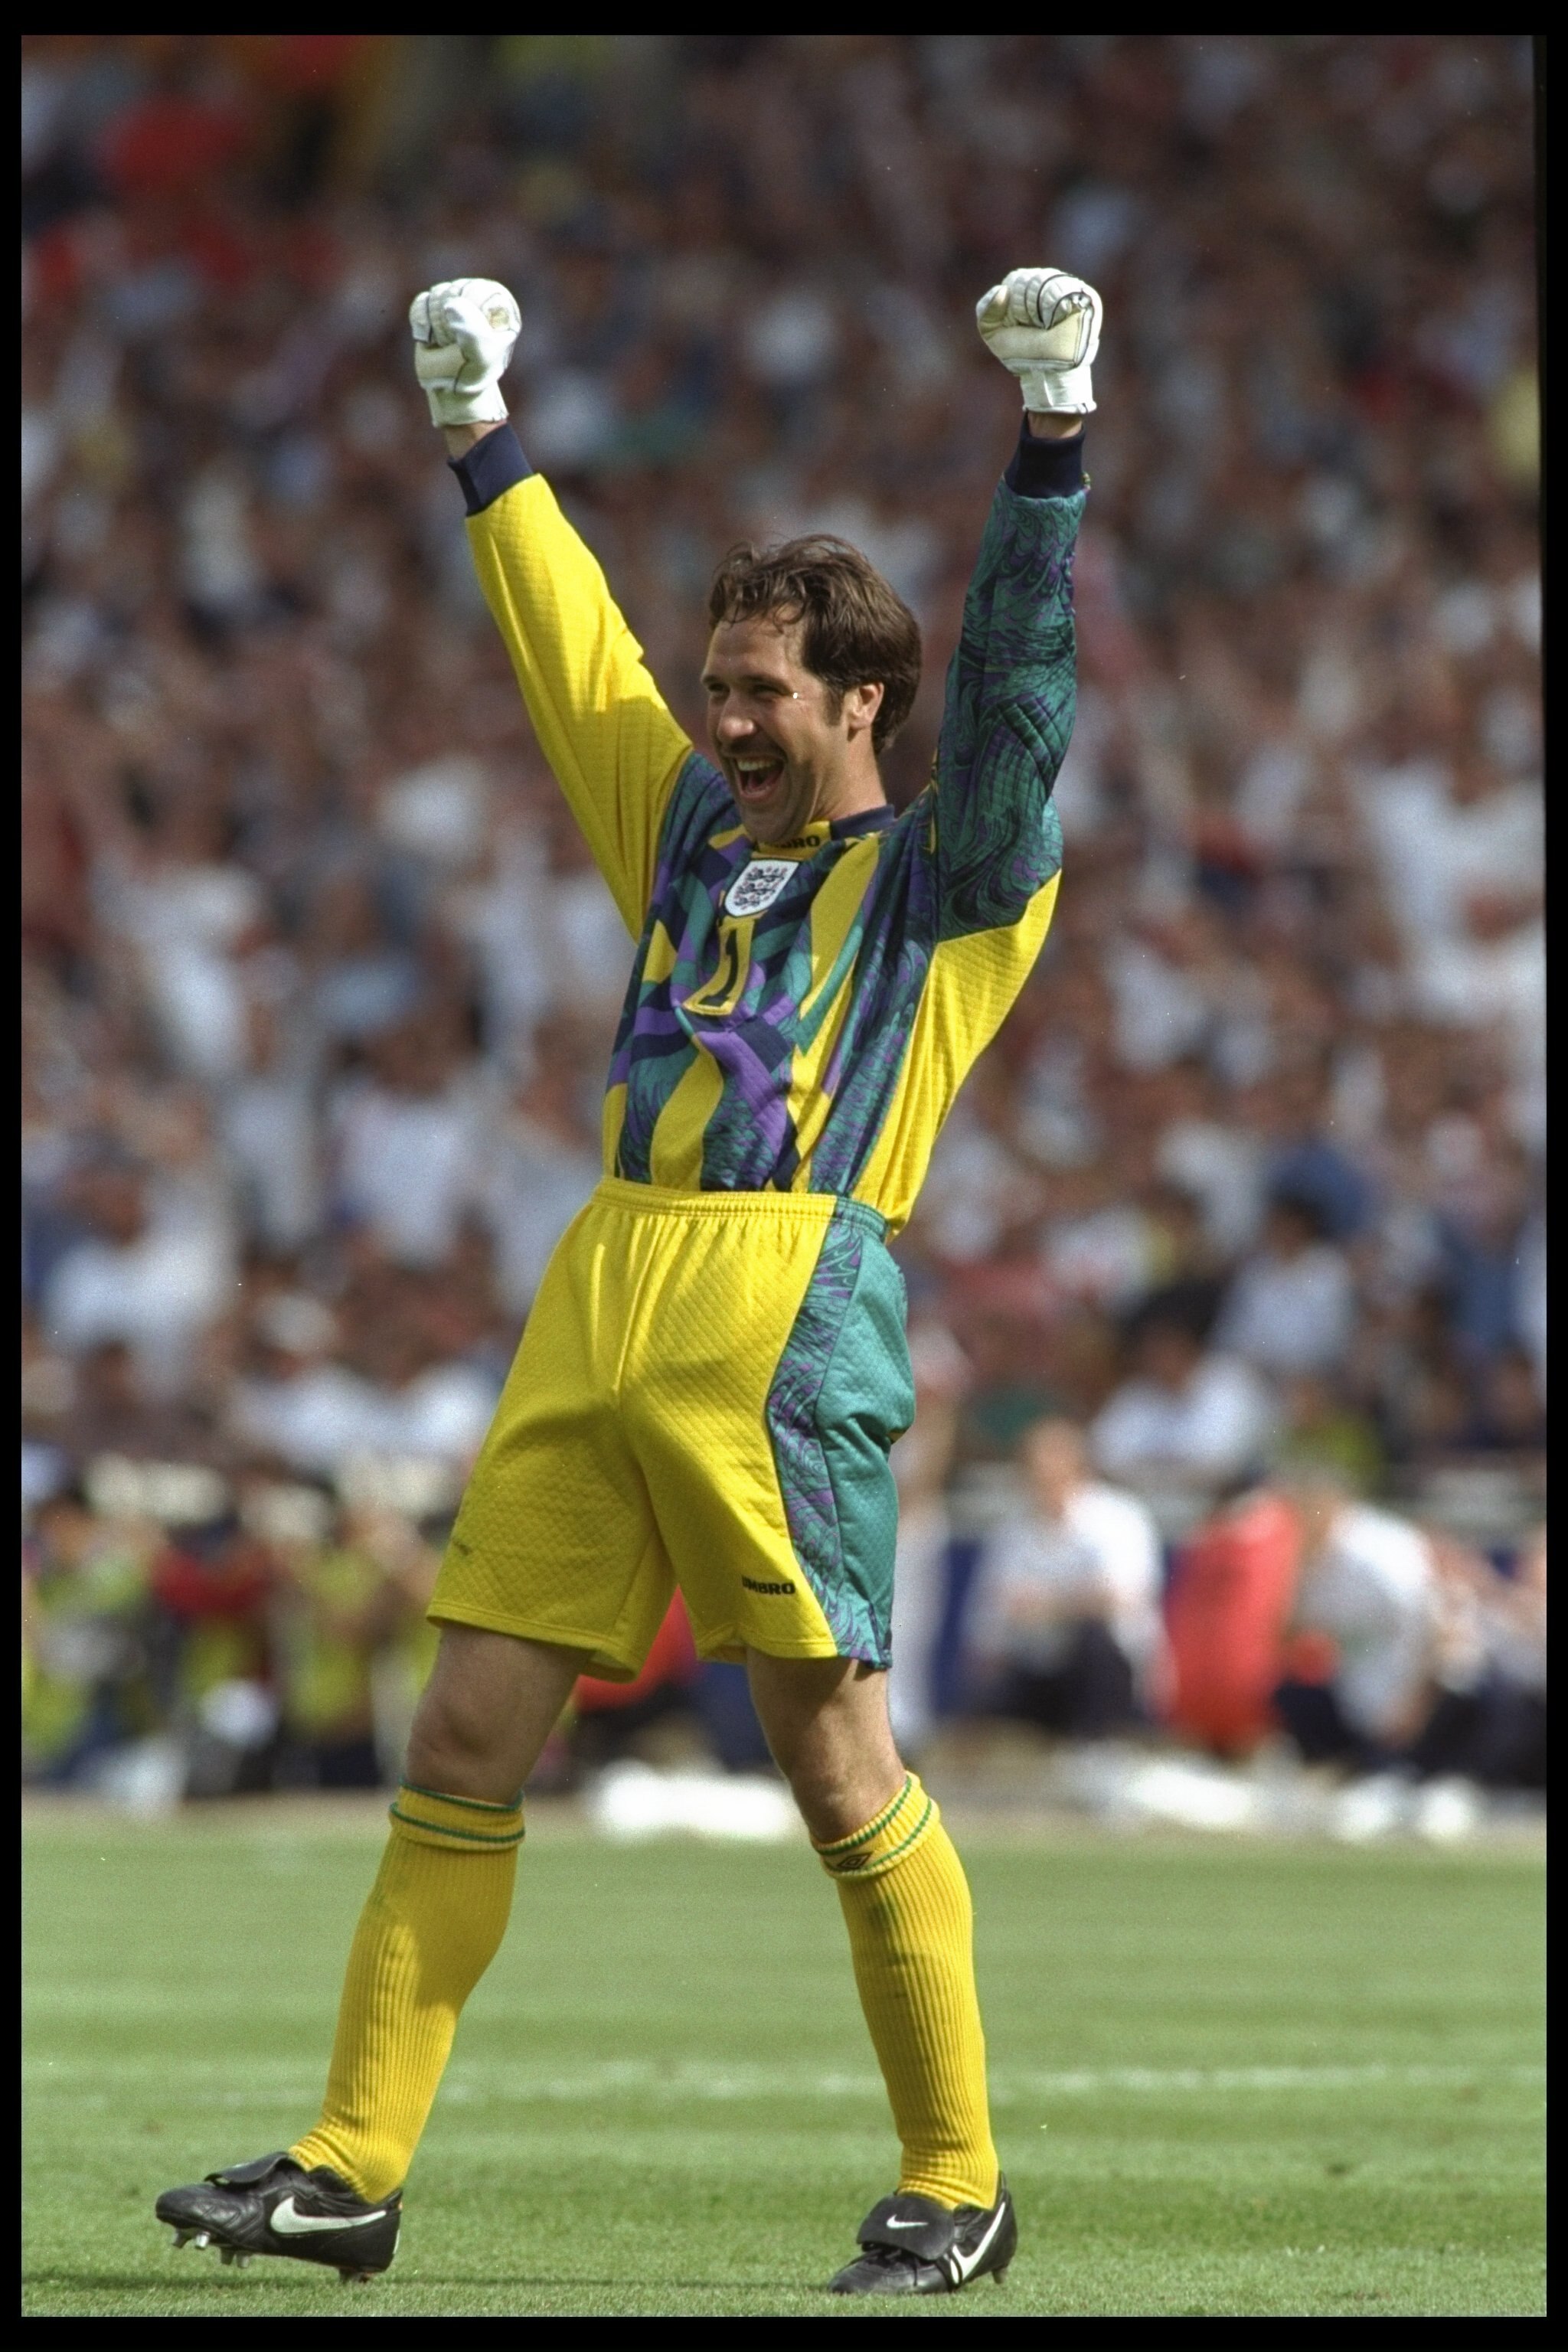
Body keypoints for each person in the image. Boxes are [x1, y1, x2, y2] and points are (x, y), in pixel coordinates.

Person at [155, 263, 1102, 2298]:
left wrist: (1050, 450)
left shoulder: (952, 885)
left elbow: (1023, 690)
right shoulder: (682, 830)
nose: (720, 717)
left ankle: (960, 2180)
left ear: (863, 703)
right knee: (465, 1733)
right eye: (720, 681)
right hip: (600, 1293)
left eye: (762, 691)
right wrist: (478, 440)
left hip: (790, 1304)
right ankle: (351, 2164)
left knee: (834, 1760)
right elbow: (569, 658)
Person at [965, 1418, 1164, 1740]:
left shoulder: (1120, 1518)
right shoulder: (1011, 1533)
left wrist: (1045, 1605)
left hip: (1108, 1675)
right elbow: (989, 1622)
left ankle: (1098, 1746)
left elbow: (1121, 1600)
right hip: (1036, 1671)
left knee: (1094, 1643)